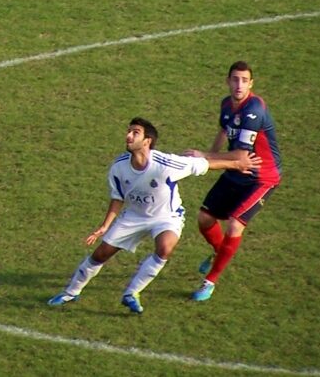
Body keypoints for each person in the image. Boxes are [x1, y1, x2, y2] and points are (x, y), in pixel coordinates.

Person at [47, 118, 259, 314]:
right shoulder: (118, 167)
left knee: (165, 247)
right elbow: (117, 197)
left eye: (135, 132)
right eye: (129, 131)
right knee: (101, 254)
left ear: (147, 141)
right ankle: (71, 293)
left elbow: (202, 165)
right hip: (133, 216)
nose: (128, 136)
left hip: (166, 216)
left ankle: (131, 293)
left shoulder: (166, 164)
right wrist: (105, 226)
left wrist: (237, 164)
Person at [185, 61, 282, 302]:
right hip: (235, 171)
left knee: (234, 225)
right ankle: (220, 252)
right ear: (228, 81)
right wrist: (209, 154)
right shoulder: (226, 105)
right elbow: (222, 130)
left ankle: (210, 281)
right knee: (204, 219)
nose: (239, 85)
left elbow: (241, 157)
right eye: (235, 79)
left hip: (261, 178)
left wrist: (206, 157)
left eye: (244, 80)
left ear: (251, 83)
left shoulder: (254, 111)